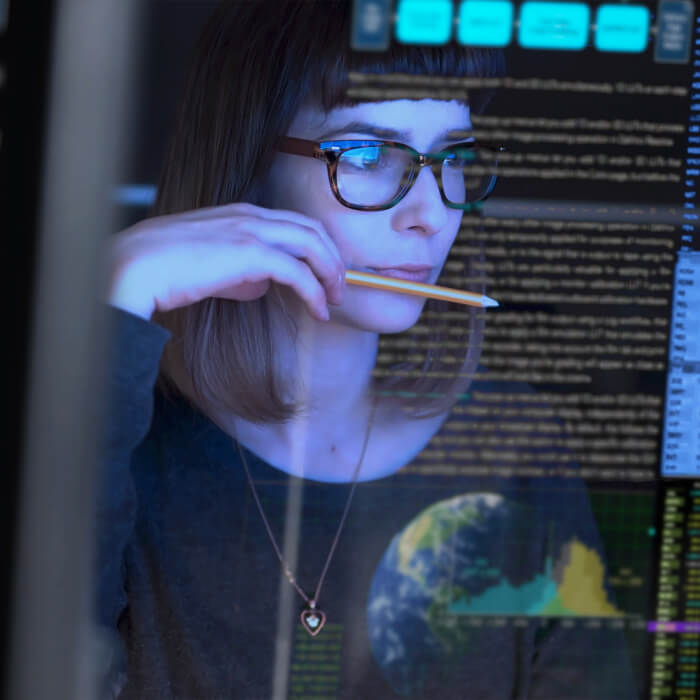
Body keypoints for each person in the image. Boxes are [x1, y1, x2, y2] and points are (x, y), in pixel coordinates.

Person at [96, 1, 639, 698]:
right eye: (365, 154)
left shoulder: (516, 445)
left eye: (452, 158)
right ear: (247, 163)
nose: (432, 214)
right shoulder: (124, 442)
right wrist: (115, 300)